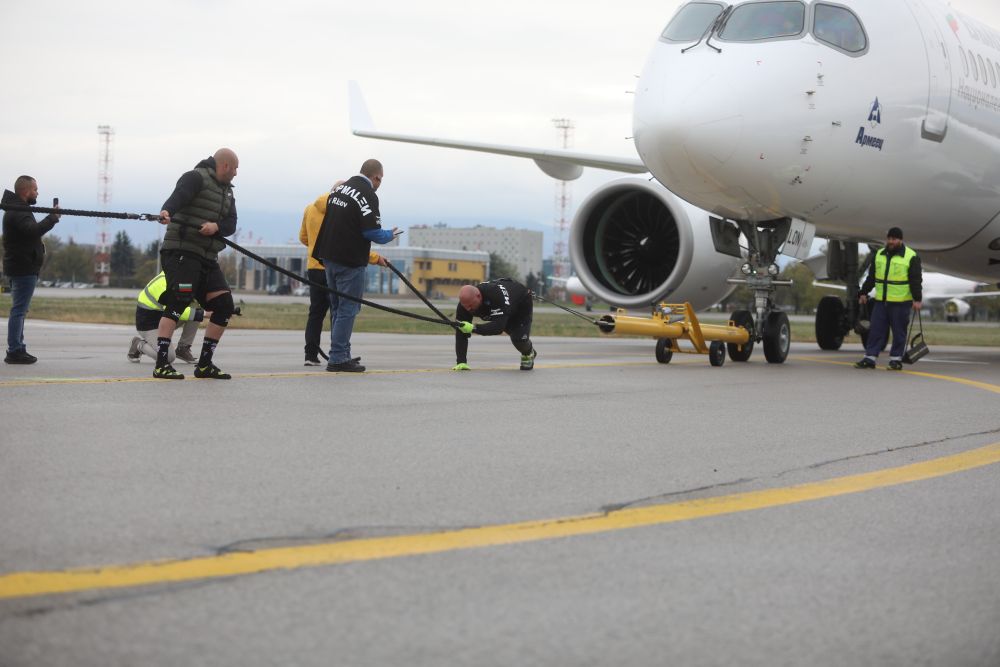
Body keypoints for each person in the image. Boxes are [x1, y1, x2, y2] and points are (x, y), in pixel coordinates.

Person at [154, 148, 240, 380]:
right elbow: (178, 197)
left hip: (207, 256)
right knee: (178, 300)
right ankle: (161, 364)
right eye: (235, 169)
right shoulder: (195, 177)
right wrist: (167, 211)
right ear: (225, 166)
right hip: (182, 251)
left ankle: (204, 365)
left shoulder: (228, 192)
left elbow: (231, 223)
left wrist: (216, 227)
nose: (236, 174)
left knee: (224, 305)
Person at [311, 159, 397, 373]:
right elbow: (372, 232)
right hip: (349, 261)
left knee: (337, 308)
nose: (379, 185)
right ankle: (338, 357)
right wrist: (390, 234)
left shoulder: (340, 190)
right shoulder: (368, 194)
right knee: (348, 309)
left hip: (328, 257)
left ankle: (342, 352)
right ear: (376, 177)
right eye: (380, 180)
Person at [2, 176, 60, 364]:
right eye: (35, 189)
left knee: (20, 309)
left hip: (21, 266)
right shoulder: (19, 211)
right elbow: (32, 231)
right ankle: (14, 351)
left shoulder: (17, 209)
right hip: (23, 268)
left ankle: (18, 347)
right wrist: (52, 218)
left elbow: (29, 232)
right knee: (19, 310)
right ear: (25, 191)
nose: (37, 193)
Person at [855, 227, 923, 371]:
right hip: (881, 301)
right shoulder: (879, 255)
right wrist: (863, 292)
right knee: (875, 330)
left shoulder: (911, 256)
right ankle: (870, 358)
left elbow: (916, 280)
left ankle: (896, 360)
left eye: (894, 239)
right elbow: (872, 277)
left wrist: (917, 299)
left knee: (899, 332)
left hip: (901, 303)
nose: (891, 241)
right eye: (889, 239)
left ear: (900, 240)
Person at [298, 181, 343, 366]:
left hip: (314, 268)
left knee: (315, 313)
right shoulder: (341, 211)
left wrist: (315, 249)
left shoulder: (310, 208)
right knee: (337, 313)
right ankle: (337, 354)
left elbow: (303, 237)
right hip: (334, 268)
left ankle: (310, 355)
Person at [453, 278, 537, 371]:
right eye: (465, 306)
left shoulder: (495, 295)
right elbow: (461, 332)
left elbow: (498, 328)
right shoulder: (465, 304)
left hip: (521, 304)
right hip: (503, 308)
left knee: (519, 339)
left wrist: (473, 328)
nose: (468, 309)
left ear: (478, 296)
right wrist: (461, 361)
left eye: (470, 305)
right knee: (509, 328)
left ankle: (528, 353)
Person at [127, 271, 202, 364]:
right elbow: (173, 310)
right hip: (150, 325)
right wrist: (204, 314)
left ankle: (183, 348)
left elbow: (195, 294)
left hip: (164, 319)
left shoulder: (179, 279)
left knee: (196, 310)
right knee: (168, 357)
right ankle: (139, 344)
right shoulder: (164, 283)